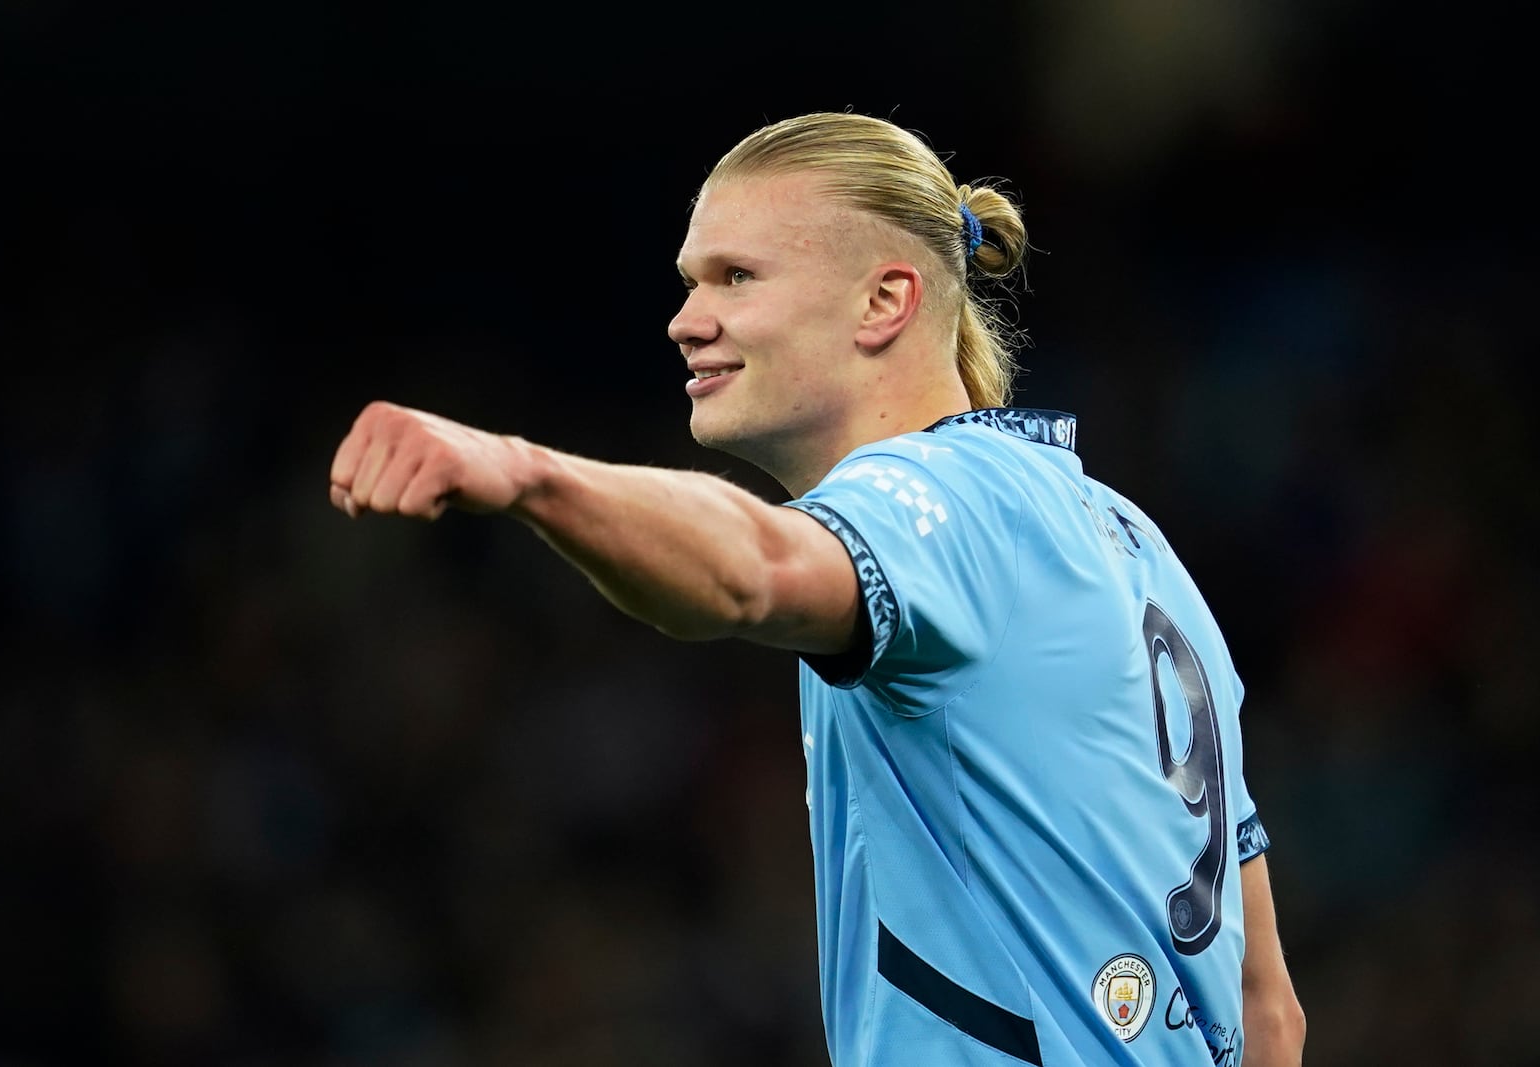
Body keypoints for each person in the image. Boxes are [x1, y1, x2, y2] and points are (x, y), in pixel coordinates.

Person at [327, 110, 1305, 1066]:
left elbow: (755, 570)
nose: (684, 320)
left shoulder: (938, 496)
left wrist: (523, 472)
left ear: (884, 301)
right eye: (688, 281)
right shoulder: (1131, 542)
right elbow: (1268, 1012)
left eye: (736, 277)